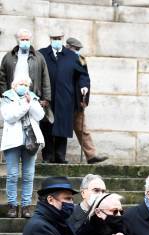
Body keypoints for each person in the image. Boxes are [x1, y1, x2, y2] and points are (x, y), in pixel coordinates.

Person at [38, 29, 90, 164]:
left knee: (62, 125)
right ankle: (47, 156)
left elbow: (83, 74)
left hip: (65, 97)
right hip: (47, 97)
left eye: (58, 38)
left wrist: (84, 86)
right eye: (53, 38)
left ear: (62, 38)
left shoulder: (72, 56)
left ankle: (60, 156)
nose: (56, 40)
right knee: (47, 126)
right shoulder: (42, 54)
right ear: (50, 38)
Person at [1, 75, 45, 218]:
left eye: (26, 84)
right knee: (12, 175)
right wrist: (25, 106)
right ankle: (12, 206)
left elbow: (40, 115)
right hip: (12, 142)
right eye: (20, 83)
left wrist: (30, 102)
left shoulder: (32, 98)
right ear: (14, 85)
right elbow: (10, 116)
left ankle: (26, 207)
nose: (23, 86)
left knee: (28, 176)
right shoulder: (6, 98)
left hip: (30, 142)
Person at [65, 37, 107, 164]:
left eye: (79, 49)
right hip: (64, 99)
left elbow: (85, 79)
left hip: (77, 101)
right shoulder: (61, 58)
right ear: (68, 47)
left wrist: (85, 100)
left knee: (82, 128)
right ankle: (57, 156)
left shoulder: (81, 59)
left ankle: (91, 155)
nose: (77, 51)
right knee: (60, 130)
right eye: (75, 49)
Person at [0, 28, 51, 107]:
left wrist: (46, 98)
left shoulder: (38, 57)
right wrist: (5, 95)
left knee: (32, 118)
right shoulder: (8, 57)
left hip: (32, 96)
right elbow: (2, 78)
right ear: (18, 41)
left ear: (30, 40)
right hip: (13, 97)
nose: (25, 42)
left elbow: (45, 77)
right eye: (22, 39)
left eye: (27, 39)